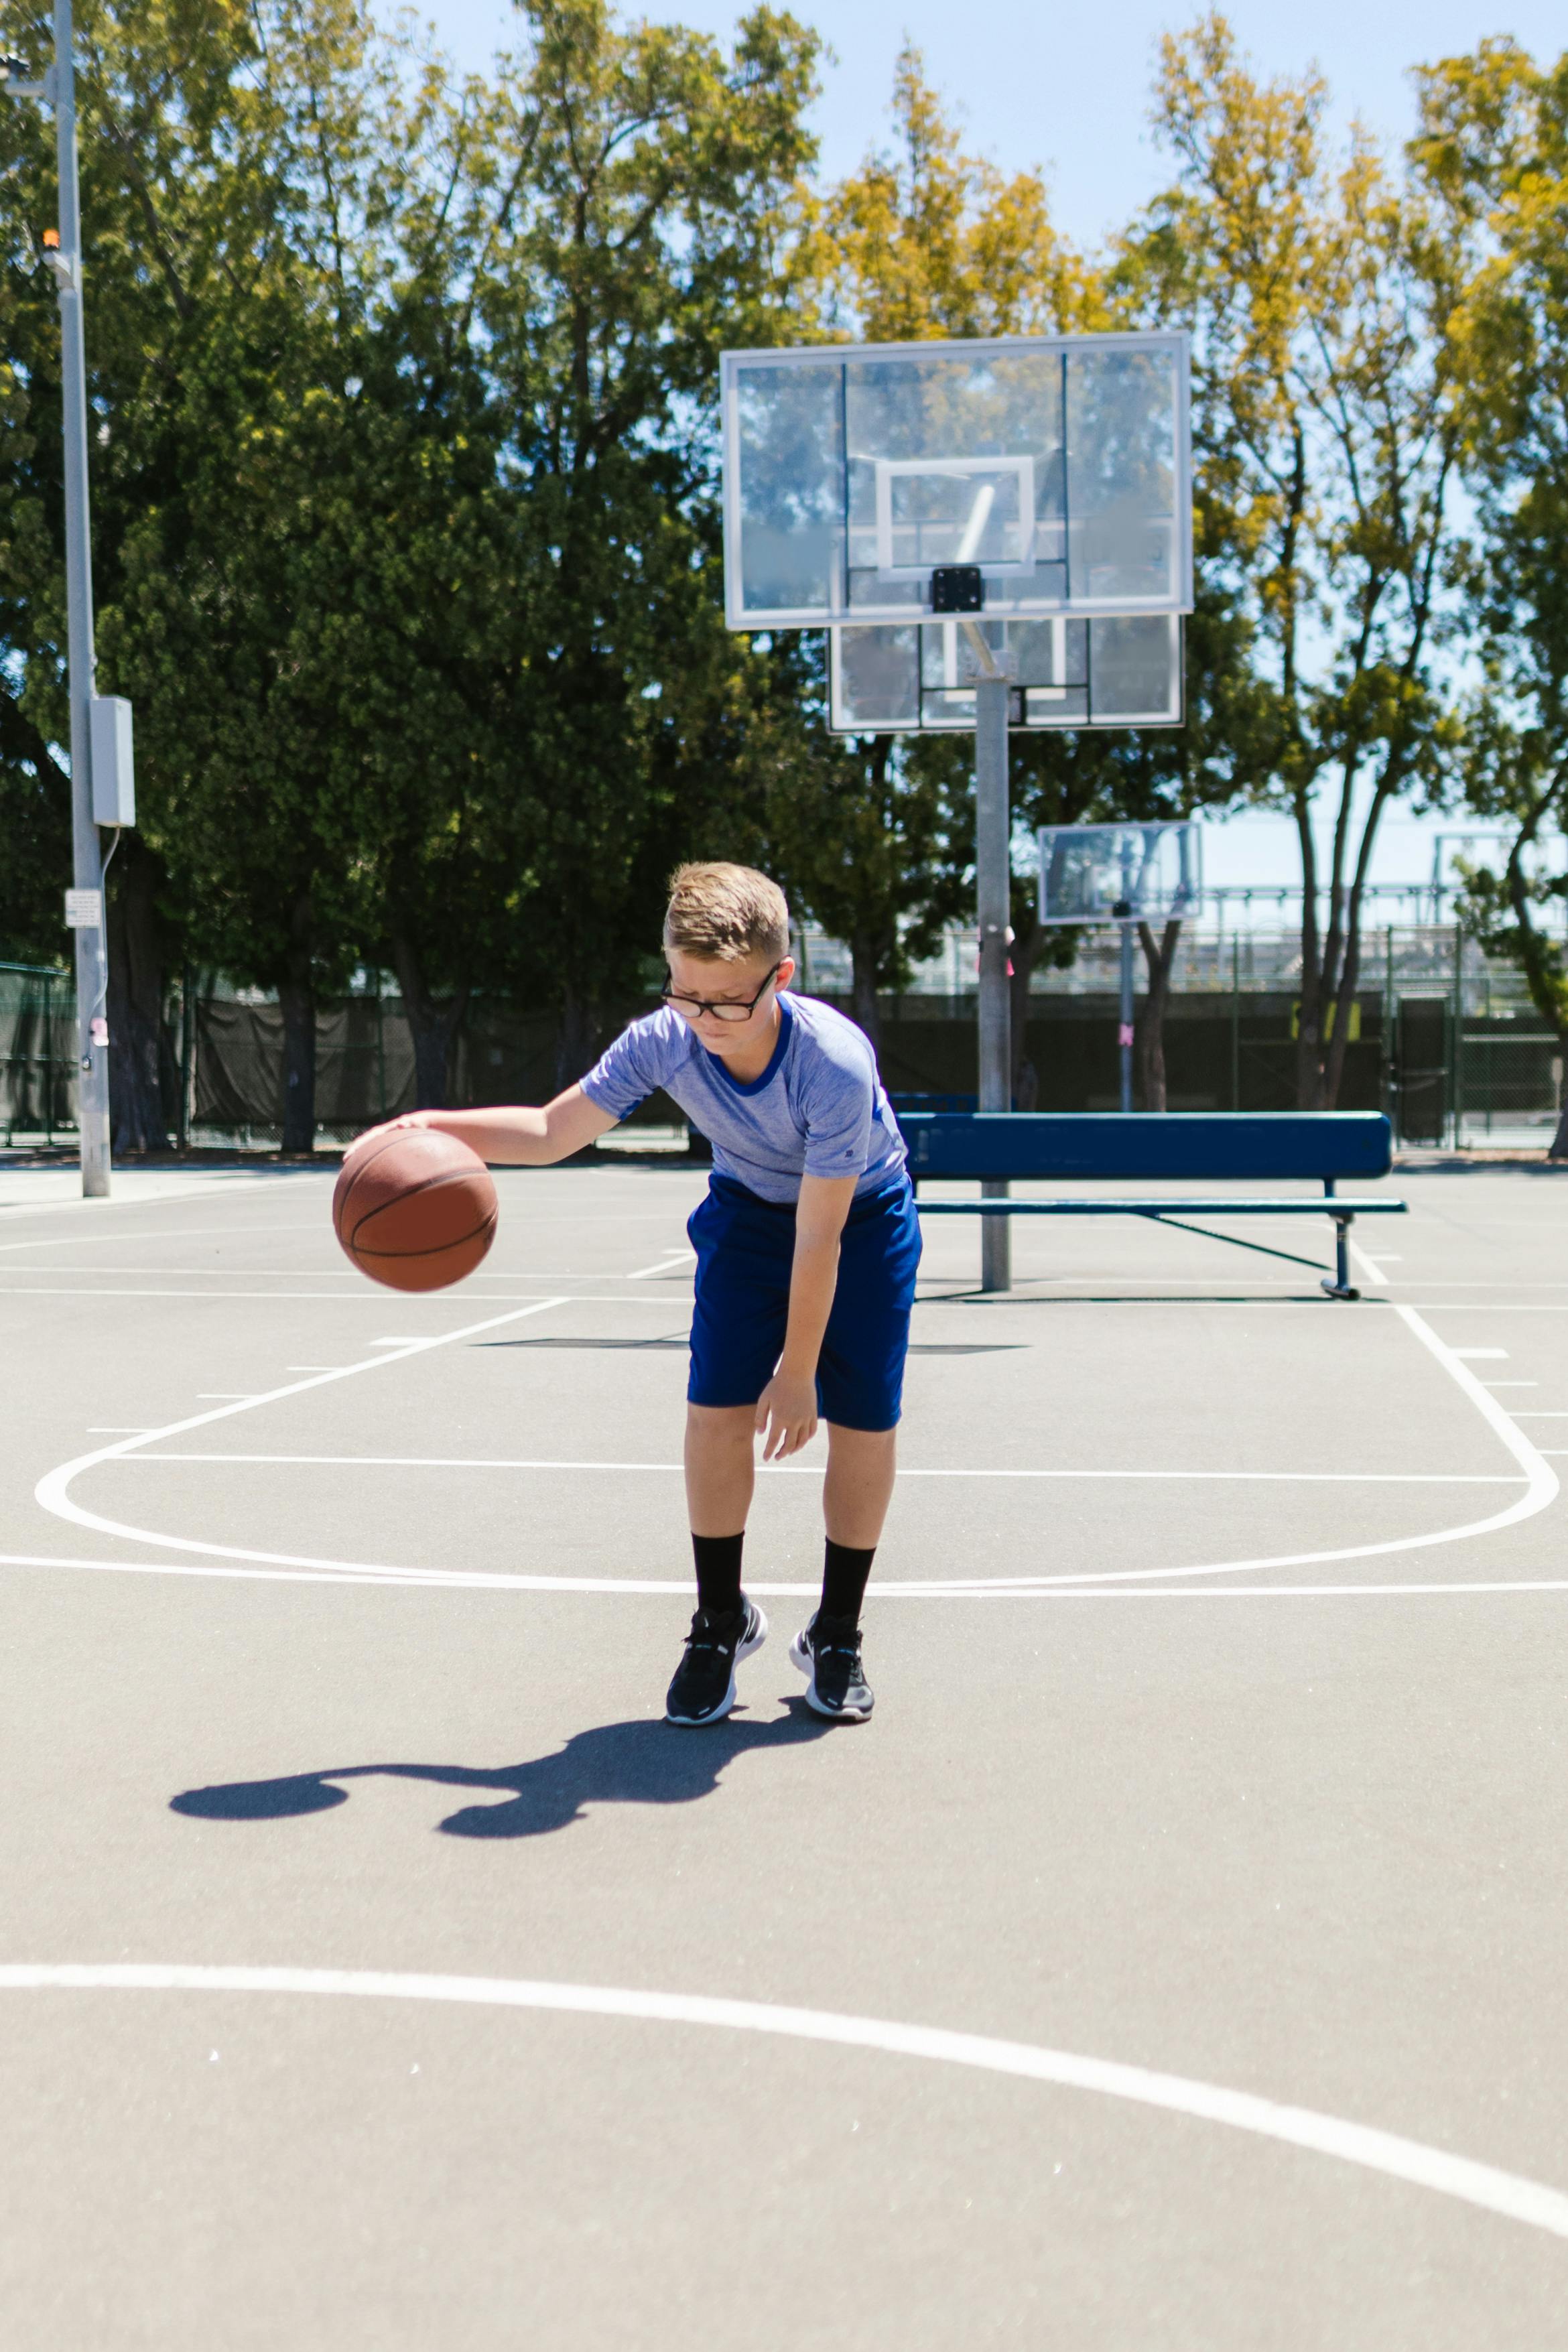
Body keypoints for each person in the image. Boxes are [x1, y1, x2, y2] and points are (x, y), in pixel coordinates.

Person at [369, 861, 919, 1727]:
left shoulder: (833, 1065)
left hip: (859, 1213)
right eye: (685, 993)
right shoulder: (666, 1035)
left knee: (863, 1422)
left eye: (725, 1002)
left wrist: (802, 1368)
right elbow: (555, 1132)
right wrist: (429, 1125)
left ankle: (839, 1631)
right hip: (747, 1210)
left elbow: (821, 1237)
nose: (703, 1020)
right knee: (715, 1411)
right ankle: (719, 1621)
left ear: (781, 977)